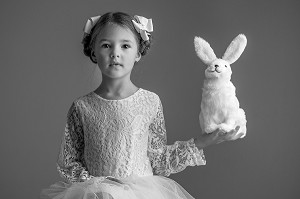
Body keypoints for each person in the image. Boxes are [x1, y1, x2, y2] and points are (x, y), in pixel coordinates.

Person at [41, 12, 242, 199]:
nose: (115, 53)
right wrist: (96, 185)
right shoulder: (82, 107)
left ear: (138, 52)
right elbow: (69, 163)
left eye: (125, 46)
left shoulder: (150, 102)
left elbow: (159, 160)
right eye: (106, 45)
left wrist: (204, 141)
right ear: (93, 52)